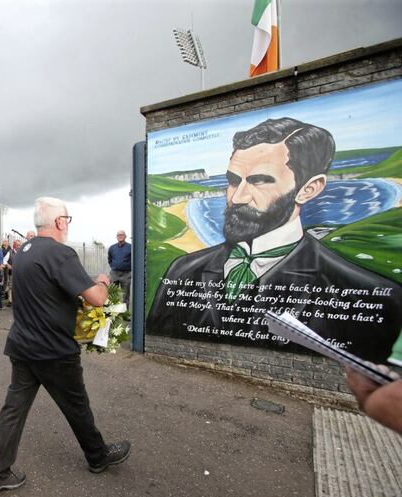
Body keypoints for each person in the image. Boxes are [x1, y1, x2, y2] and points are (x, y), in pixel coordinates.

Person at [146, 117, 402, 362]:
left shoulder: (369, 295)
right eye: (234, 181)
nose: (237, 198)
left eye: (260, 181)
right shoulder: (183, 270)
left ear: (309, 188)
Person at [0, 197, 130, 497]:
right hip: (54, 351)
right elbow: (97, 298)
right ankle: (98, 457)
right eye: (67, 219)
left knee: (14, 409)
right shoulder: (61, 253)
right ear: (60, 222)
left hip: (22, 346)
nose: (68, 225)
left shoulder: (24, 250)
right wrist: (101, 281)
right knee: (77, 406)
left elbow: (50, 288)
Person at [108, 230, 131, 307]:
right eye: (118, 235)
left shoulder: (130, 247)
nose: (120, 236)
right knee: (112, 294)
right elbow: (109, 259)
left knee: (125, 295)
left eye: (121, 235)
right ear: (116, 237)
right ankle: (113, 314)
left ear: (125, 236)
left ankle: (125, 314)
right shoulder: (112, 248)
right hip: (114, 274)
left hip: (126, 274)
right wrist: (113, 266)